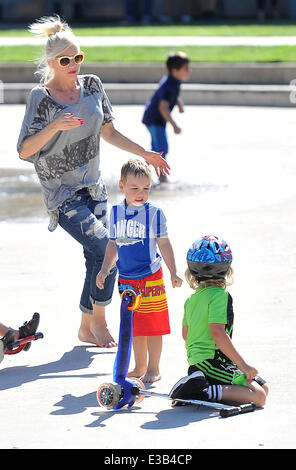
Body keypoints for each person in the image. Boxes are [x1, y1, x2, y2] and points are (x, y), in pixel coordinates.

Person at [17, 16, 169, 349]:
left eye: (78, 57)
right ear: (51, 63)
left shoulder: (93, 86)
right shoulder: (40, 98)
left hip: (94, 188)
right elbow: (24, 150)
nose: (73, 65)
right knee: (106, 250)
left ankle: (86, 326)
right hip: (62, 194)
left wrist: (147, 153)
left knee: (96, 256)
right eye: (65, 60)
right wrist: (54, 126)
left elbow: (109, 131)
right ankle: (99, 322)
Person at [96, 158, 182, 382]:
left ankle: (154, 368)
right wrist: (105, 269)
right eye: (134, 188)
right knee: (134, 326)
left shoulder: (154, 213)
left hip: (150, 277)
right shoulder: (115, 213)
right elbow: (113, 244)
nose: (140, 193)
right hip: (125, 279)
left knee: (153, 325)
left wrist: (173, 271)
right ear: (122, 186)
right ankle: (140, 366)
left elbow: (163, 243)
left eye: (146, 188)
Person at [169, 235, 268, 408]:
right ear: (226, 268)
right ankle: (201, 391)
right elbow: (217, 333)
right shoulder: (220, 296)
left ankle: (204, 386)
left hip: (201, 363)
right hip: (211, 362)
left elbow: (186, 335)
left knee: (263, 388)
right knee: (259, 396)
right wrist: (242, 365)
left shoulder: (191, 300)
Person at [142, 51, 190, 182]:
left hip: (151, 117)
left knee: (156, 149)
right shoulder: (170, 86)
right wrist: (175, 125)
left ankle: (139, 172)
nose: (189, 71)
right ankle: (162, 177)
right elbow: (163, 107)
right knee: (162, 149)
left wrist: (179, 103)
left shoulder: (172, 80)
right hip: (155, 120)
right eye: (186, 68)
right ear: (175, 70)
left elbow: (169, 97)